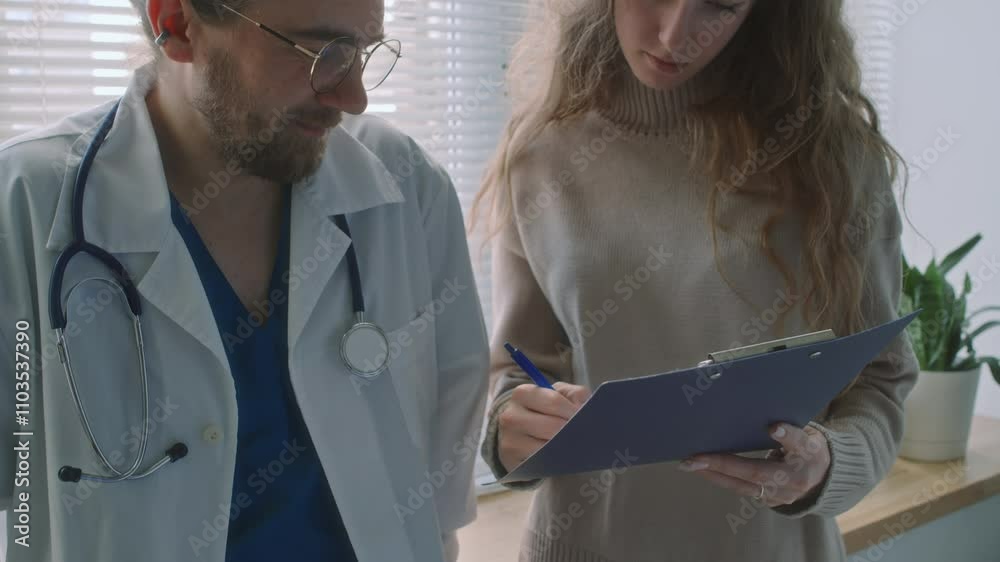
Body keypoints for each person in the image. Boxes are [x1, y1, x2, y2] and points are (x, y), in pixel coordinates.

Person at [0, 0, 489, 560]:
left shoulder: (407, 185)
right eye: (320, 51)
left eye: (361, 51)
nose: (354, 96)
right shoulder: (26, 204)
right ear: (177, 24)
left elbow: (438, 489)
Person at [472, 0, 919, 560]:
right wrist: (511, 429)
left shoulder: (830, 154)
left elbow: (880, 379)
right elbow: (517, 368)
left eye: (720, 4)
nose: (673, 35)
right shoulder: (541, 150)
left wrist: (828, 463)